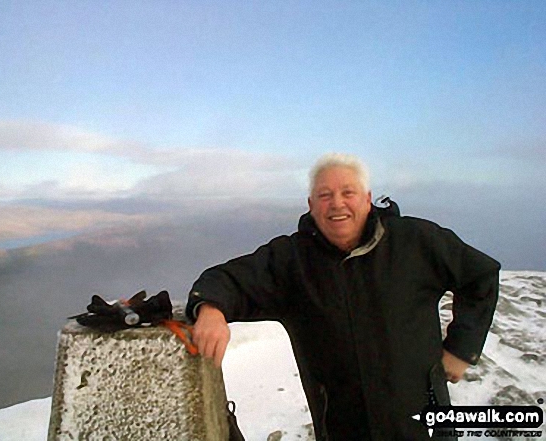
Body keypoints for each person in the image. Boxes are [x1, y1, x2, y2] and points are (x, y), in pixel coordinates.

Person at [185, 153, 500, 440]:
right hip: (342, 430)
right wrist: (210, 309)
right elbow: (226, 279)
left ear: (367, 199)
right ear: (311, 204)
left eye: (347, 193)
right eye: (325, 195)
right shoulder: (292, 261)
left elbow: (479, 275)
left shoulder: (414, 241)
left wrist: (462, 348)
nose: (337, 203)